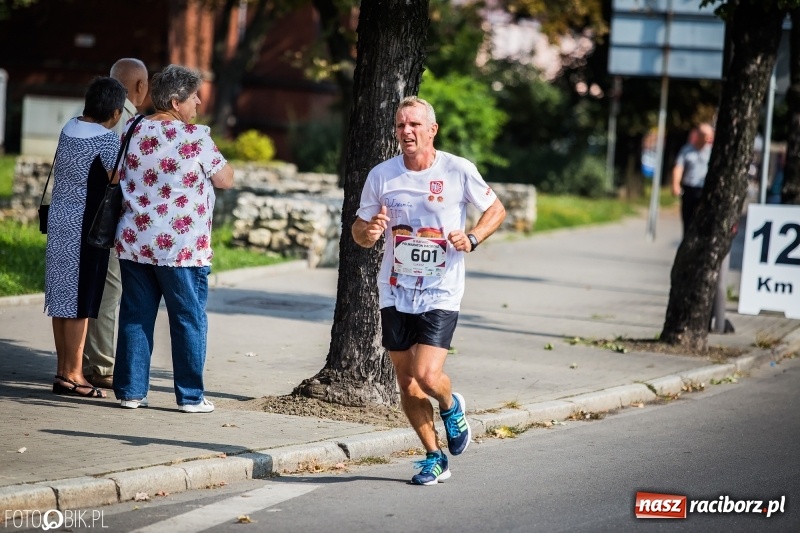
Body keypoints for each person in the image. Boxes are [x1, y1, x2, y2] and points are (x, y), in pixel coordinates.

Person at [352, 96, 506, 485]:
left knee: (425, 374)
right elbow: (360, 231)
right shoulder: (382, 175)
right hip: (394, 289)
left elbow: (496, 210)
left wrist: (471, 238)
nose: (406, 131)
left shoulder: (457, 169)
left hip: (441, 289)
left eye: (414, 125)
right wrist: (369, 232)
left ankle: (452, 407)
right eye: (401, 125)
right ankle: (434, 456)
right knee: (406, 381)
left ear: (432, 130)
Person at [112, 64, 234, 413]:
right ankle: (191, 396)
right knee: (187, 318)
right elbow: (225, 179)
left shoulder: (134, 129)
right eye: (194, 95)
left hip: (135, 240)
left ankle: (131, 392)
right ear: (177, 101)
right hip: (182, 249)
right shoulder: (195, 137)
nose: (198, 101)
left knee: (135, 314)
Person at [45, 77, 126, 399]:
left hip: (60, 220)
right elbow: (118, 179)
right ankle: (76, 375)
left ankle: (63, 370)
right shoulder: (107, 141)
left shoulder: (69, 128)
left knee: (62, 300)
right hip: (86, 227)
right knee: (80, 301)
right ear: (116, 111)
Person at [83, 58, 149, 390]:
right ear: (140, 86)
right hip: (109, 219)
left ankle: (80, 358)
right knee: (109, 291)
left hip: (80, 212)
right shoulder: (129, 121)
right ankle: (101, 363)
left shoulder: (93, 112)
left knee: (86, 287)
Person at [671, 123, 714, 236]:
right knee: (687, 219)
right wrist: (675, 184)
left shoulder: (712, 152)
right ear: (698, 135)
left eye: (709, 135)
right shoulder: (687, 150)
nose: (708, 138)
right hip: (689, 188)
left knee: (702, 220)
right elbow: (679, 168)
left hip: (704, 190)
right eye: (705, 135)